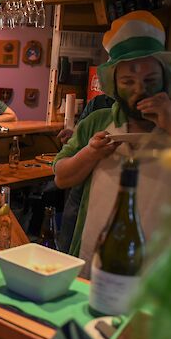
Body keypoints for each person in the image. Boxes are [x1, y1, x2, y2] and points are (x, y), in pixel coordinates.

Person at [53, 11, 171, 277]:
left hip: (162, 266)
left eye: (150, 81)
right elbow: (61, 177)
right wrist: (90, 153)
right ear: (113, 84)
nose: (139, 90)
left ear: (165, 80)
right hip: (94, 255)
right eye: (128, 82)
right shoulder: (98, 121)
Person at [55, 94, 115, 253]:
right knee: (67, 250)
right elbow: (60, 176)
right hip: (81, 194)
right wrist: (75, 136)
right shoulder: (99, 112)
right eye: (127, 80)